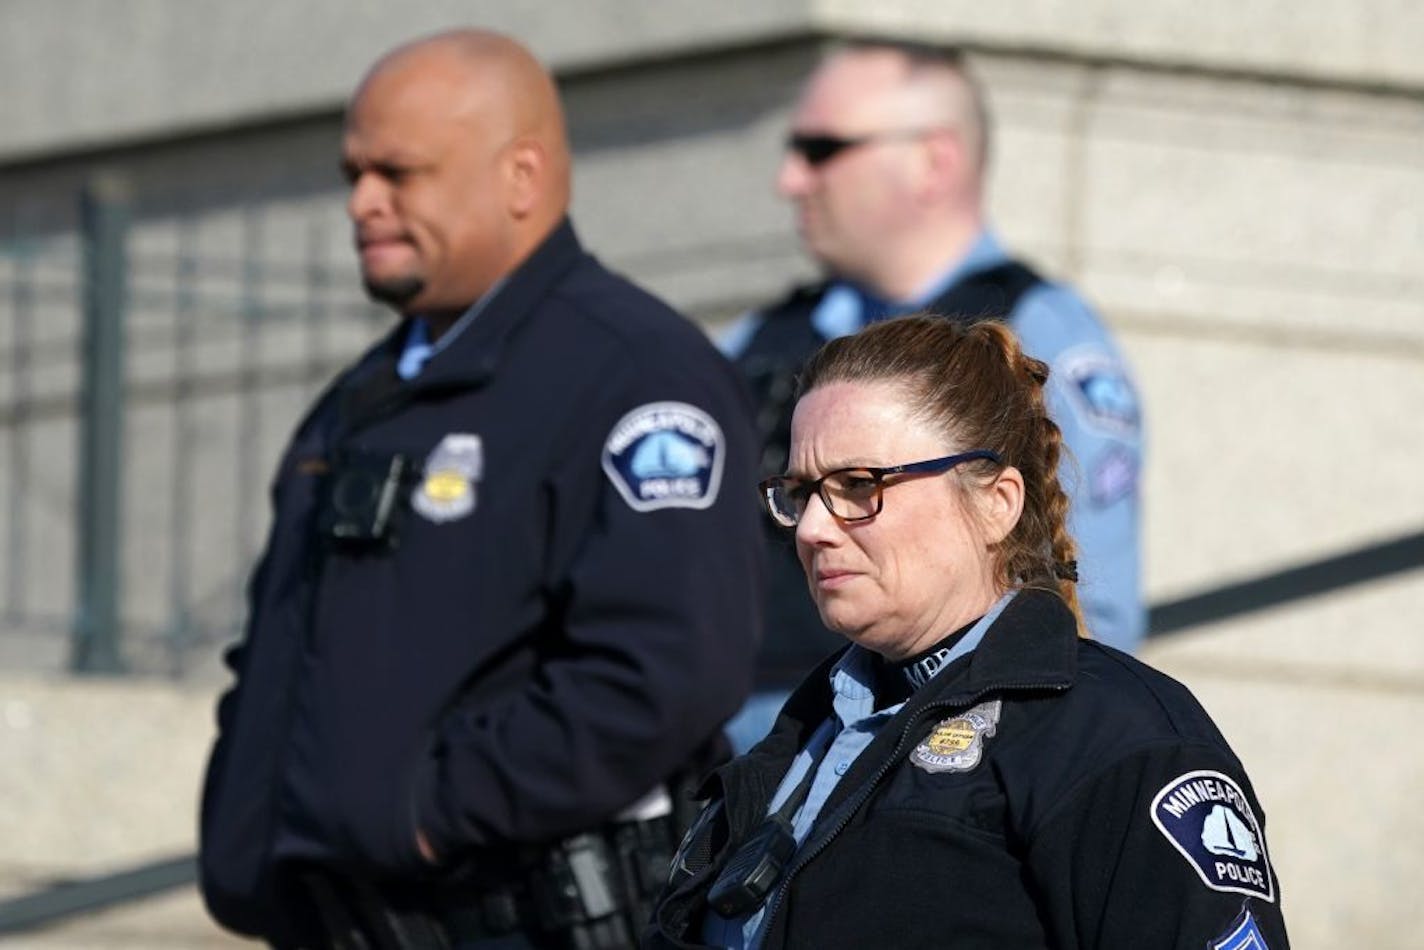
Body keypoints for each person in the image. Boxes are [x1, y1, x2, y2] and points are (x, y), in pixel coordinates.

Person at [198, 29, 763, 950]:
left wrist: (421, 810)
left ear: (521, 178)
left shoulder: (636, 374)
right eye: (352, 174)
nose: (363, 203)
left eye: (399, 172)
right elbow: (282, 654)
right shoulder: (362, 400)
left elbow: (662, 674)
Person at [649, 315, 1288, 950]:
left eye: (858, 485)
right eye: (800, 491)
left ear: (995, 504)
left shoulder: (1119, 739)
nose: (813, 527)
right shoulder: (800, 738)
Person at [722, 40, 1143, 751]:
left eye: (821, 149)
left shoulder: (1042, 339)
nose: (790, 180)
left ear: (934, 162)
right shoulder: (760, 341)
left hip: (934, 767)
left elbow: (1088, 614)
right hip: (740, 775)